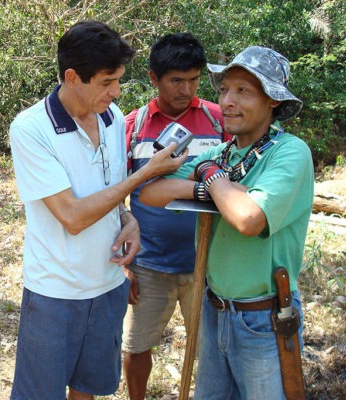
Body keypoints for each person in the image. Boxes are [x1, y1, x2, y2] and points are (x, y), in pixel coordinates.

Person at [9, 20, 187, 400]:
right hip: (55, 292)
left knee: (88, 388)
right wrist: (147, 175)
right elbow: (72, 216)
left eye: (118, 80)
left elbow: (109, 194)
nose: (116, 91)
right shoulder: (31, 129)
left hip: (107, 285)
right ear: (72, 77)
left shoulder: (111, 118)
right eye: (107, 82)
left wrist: (128, 218)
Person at [139, 46, 313, 399]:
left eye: (243, 91)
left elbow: (248, 218)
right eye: (223, 90)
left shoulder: (290, 152)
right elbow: (151, 192)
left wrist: (212, 177)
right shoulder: (221, 153)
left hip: (264, 318)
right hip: (215, 309)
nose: (228, 101)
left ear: (273, 101)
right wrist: (212, 184)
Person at [122, 33, 231, 399]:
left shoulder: (220, 122)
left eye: (194, 80)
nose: (187, 90)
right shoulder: (133, 126)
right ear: (153, 77)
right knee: (136, 346)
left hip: (210, 263)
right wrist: (123, 264)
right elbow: (114, 195)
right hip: (149, 263)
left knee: (214, 351)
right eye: (176, 81)